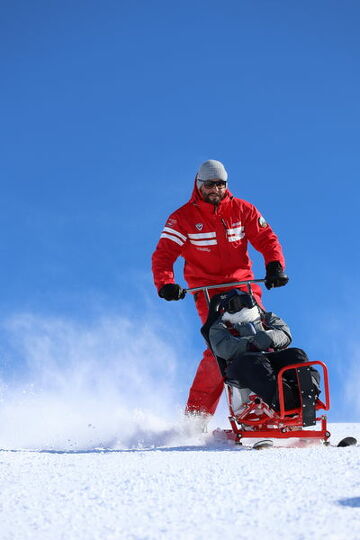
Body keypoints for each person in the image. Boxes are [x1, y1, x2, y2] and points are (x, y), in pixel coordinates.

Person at [152, 159, 289, 418]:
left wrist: (274, 266)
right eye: (209, 185)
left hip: (244, 286)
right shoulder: (182, 218)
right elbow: (163, 255)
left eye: (220, 184)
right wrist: (166, 284)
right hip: (208, 291)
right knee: (220, 349)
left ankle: (273, 405)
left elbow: (266, 238)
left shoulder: (242, 209)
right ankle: (196, 416)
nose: (215, 190)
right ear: (198, 185)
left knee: (261, 337)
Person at [202, 289, 320, 412]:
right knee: (254, 362)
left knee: (296, 354)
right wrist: (249, 344)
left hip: (272, 356)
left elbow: (285, 333)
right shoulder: (220, 327)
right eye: (236, 304)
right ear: (227, 309)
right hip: (243, 364)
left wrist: (269, 337)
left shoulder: (265, 318)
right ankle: (284, 399)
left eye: (247, 301)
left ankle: (308, 390)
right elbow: (223, 347)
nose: (243, 307)